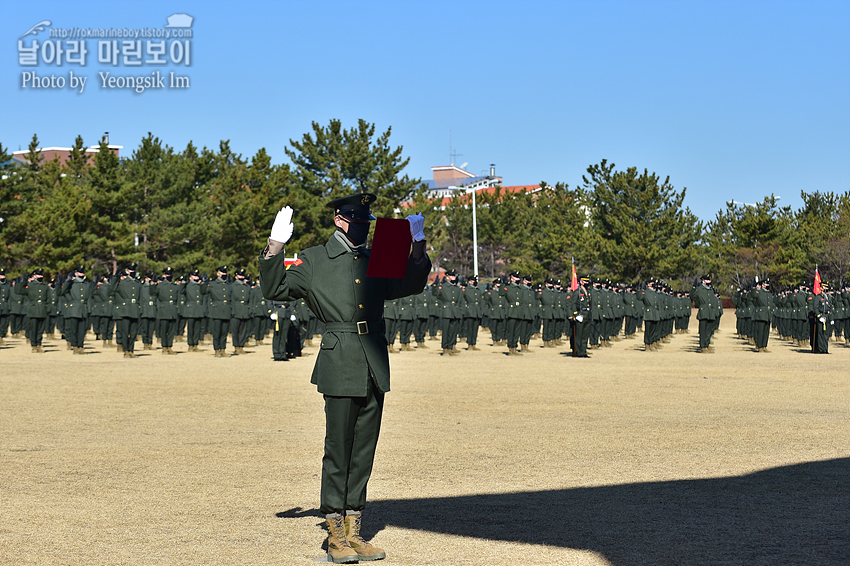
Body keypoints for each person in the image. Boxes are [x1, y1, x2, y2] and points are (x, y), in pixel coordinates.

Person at [259, 194, 430, 564]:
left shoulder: (375, 257)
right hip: (340, 359)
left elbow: (409, 284)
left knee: (364, 449)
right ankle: (335, 530)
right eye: (358, 221)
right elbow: (275, 290)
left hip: (373, 359)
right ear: (339, 221)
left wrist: (417, 248)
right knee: (339, 448)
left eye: (367, 222)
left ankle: (355, 530)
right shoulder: (316, 259)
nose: (364, 228)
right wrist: (275, 247)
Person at [14, 268, 50, 352]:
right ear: (34, 276)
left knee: (40, 330)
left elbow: (48, 298)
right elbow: (18, 291)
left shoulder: (45, 286)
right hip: (33, 310)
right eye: (38, 275)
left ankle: (39, 344)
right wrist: (23, 282)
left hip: (42, 310)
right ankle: (34, 345)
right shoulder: (30, 285)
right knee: (33, 329)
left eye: (41, 275)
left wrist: (47, 308)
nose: (40, 276)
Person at [59, 266, 92, 355]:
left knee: (82, 330)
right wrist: (68, 281)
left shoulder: (86, 284)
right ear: (76, 273)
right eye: (80, 273)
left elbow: (89, 297)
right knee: (74, 329)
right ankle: (74, 347)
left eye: (83, 273)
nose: (81, 274)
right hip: (74, 309)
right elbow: (63, 291)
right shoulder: (72, 283)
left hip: (83, 309)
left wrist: (89, 309)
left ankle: (80, 346)